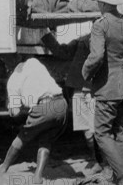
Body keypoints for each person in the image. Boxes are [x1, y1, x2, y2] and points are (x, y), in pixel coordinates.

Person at [82, 0, 123, 185]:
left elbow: (96, 56)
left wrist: (85, 73)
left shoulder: (100, 25)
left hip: (108, 86)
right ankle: (121, 183)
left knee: (102, 134)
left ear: (104, 4)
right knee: (121, 133)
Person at [41, 31, 105, 174]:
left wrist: (45, 34)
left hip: (83, 88)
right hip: (95, 87)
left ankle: (100, 161)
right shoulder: (110, 38)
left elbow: (62, 52)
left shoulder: (84, 39)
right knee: (96, 128)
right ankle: (102, 161)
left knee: (89, 129)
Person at [0, 58, 68, 183]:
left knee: (22, 137)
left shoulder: (12, 82)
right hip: (61, 104)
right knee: (46, 140)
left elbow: (15, 112)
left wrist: (12, 106)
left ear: (8, 69)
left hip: (44, 107)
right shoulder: (33, 62)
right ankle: (37, 176)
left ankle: (3, 167)